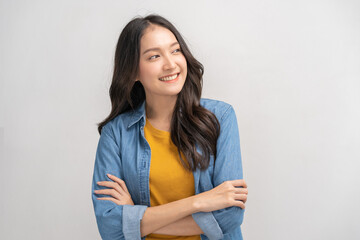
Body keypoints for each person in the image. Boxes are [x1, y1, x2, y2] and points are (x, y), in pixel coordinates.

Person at [91, 14, 248, 240]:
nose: (170, 64)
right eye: (154, 56)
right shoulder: (115, 134)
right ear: (133, 71)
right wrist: (198, 202)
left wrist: (135, 217)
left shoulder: (220, 118)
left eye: (175, 50)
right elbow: (110, 227)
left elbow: (229, 217)